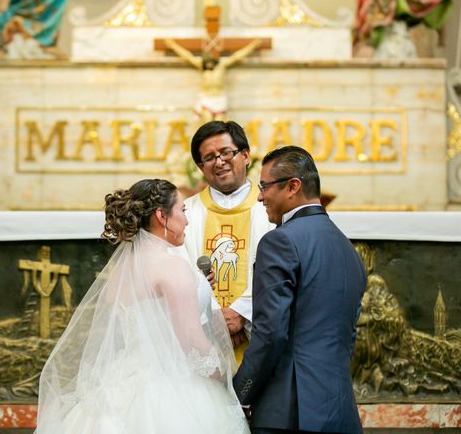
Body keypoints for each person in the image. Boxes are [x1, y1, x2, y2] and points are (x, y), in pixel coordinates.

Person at [35, 179, 249, 434]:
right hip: (174, 387)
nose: (187, 220)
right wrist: (221, 374)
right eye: (182, 210)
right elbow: (190, 342)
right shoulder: (172, 266)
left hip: (123, 380)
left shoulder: (120, 271)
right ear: (161, 216)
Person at [233, 146, 367, 434]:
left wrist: (239, 393)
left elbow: (270, 333)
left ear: (293, 186)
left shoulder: (279, 241)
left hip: (288, 412)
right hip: (340, 409)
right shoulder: (349, 250)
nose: (259, 196)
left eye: (264, 186)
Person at [181, 121, 272, 361]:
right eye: (209, 158)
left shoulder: (271, 209)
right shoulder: (185, 213)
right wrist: (214, 319)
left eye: (226, 153)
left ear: (245, 156)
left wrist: (242, 313)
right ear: (201, 167)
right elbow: (180, 271)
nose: (219, 162)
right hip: (202, 336)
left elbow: (281, 274)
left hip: (262, 334)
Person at [164, 39, 262, 119]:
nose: (209, 64)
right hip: (206, 97)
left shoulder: (222, 65)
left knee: (219, 123)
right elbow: (187, 56)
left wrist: (253, 45)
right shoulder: (201, 65)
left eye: (211, 62)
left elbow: (237, 56)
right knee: (207, 120)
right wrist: (173, 45)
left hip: (219, 97)